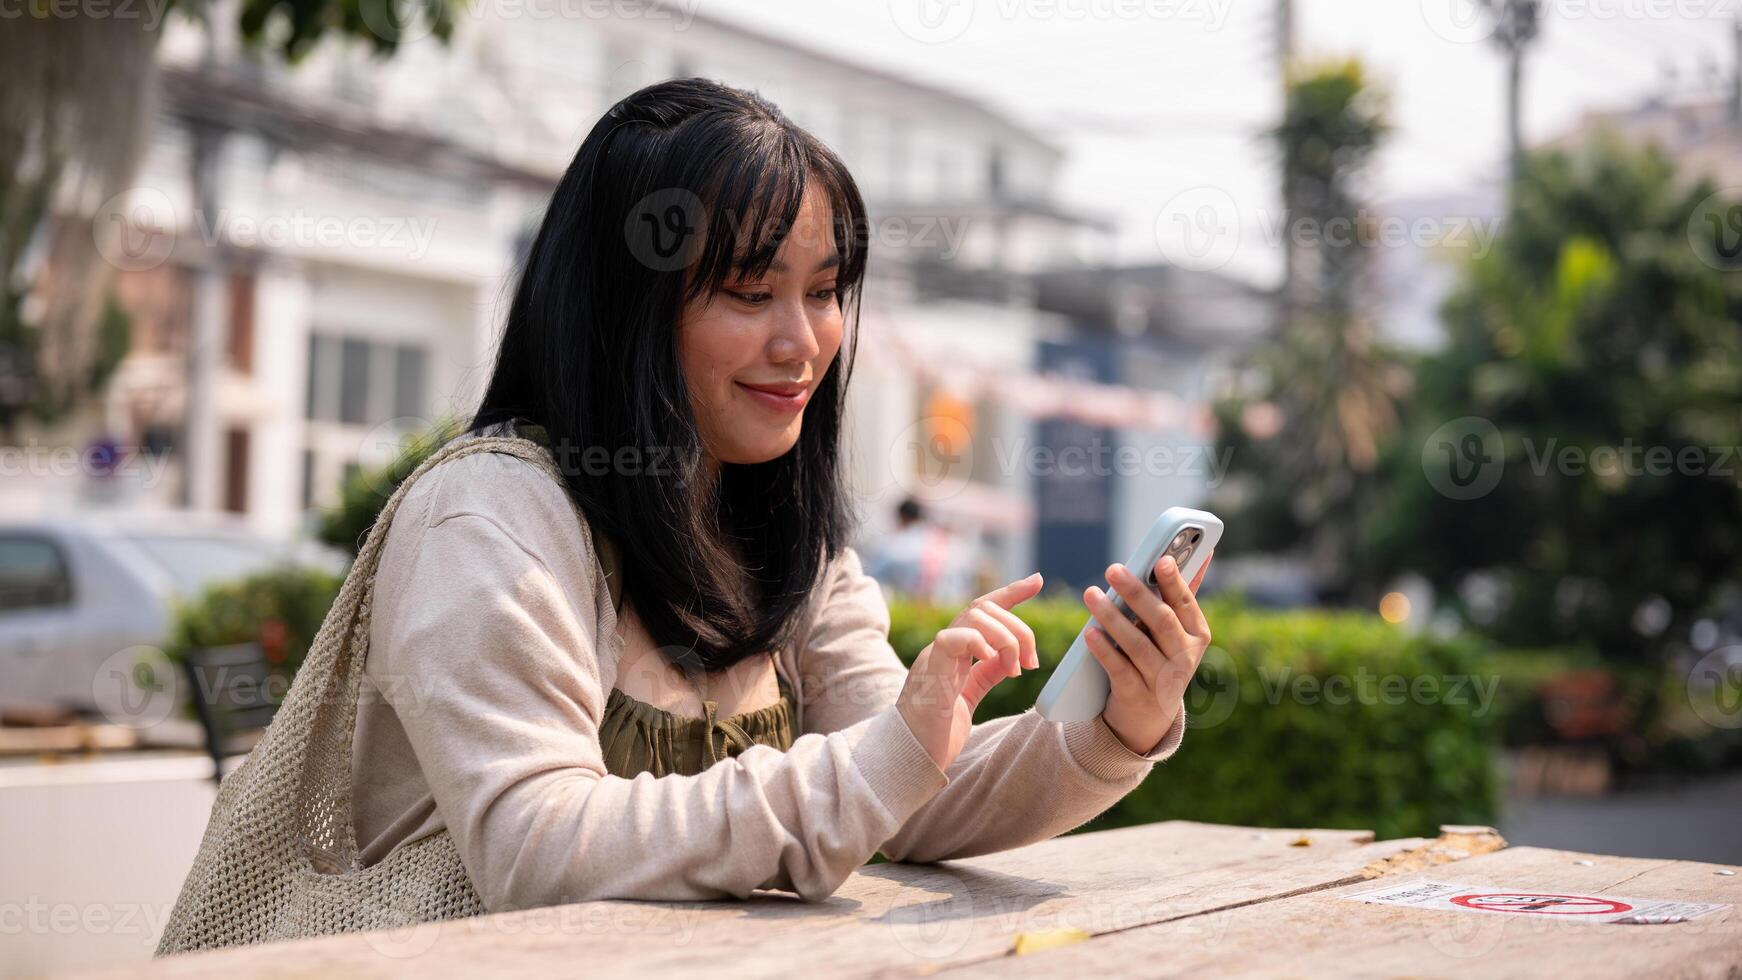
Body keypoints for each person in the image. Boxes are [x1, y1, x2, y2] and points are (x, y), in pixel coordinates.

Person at [350, 78, 1215, 912]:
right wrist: (881, 759)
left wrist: (1118, 721)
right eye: (751, 292)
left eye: (825, 290)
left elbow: (907, 791)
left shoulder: (781, 529)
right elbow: (534, 847)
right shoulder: (490, 517)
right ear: (625, 305)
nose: (802, 342)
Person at [864, 497, 975, 603]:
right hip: (948, 613)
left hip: (906, 613)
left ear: (902, 517)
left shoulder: (894, 544)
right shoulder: (956, 546)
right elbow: (967, 584)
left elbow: (873, 578)